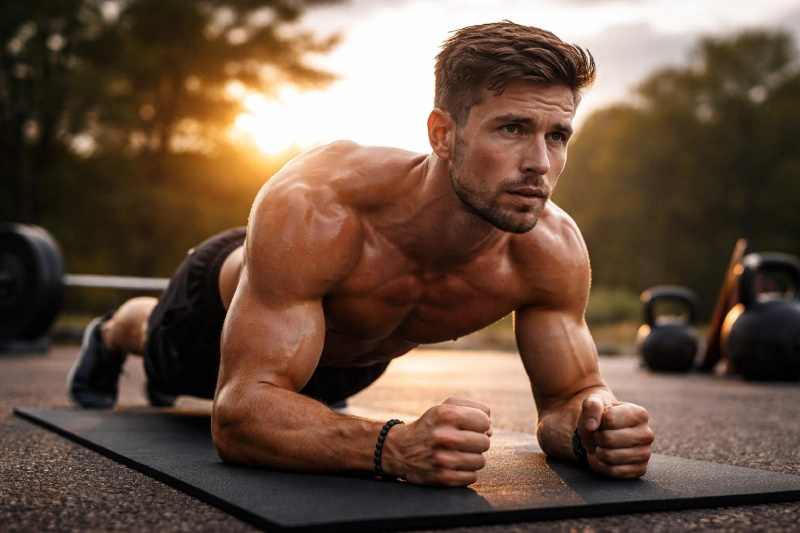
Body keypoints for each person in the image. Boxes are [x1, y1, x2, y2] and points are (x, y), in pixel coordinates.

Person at [68, 21, 654, 486]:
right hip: (216, 312)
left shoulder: (549, 251)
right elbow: (238, 415)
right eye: (512, 129)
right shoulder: (318, 206)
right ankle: (110, 335)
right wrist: (393, 446)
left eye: (557, 136)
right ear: (443, 134)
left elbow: (567, 397)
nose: (541, 163)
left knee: (312, 403)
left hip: (342, 361)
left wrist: (595, 428)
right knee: (153, 342)